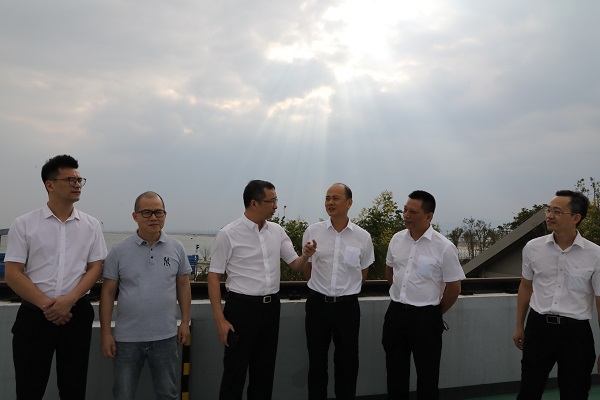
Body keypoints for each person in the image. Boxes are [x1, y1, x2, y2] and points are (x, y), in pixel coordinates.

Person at [4, 154, 107, 400]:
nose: (77, 184)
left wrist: (69, 301)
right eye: (70, 180)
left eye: (80, 180)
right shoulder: (24, 224)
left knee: (74, 388)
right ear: (49, 184)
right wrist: (48, 305)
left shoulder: (91, 225)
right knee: (29, 388)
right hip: (34, 316)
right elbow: (13, 273)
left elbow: (95, 267)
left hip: (76, 314)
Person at [208, 179, 317, 400]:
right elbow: (213, 276)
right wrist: (220, 320)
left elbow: (295, 265)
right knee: (234, 373)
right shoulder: (228, 234)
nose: (276, 206)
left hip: (270, 308)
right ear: (254, 203)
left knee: (264, 373)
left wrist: (306, 255)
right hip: (241, 309)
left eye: (276, 200)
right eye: (271, 201)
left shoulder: (276, 231)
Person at [99, 191, 192, 400]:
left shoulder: (176, 248)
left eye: (158, 212)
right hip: (127, 339)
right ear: (135, 216)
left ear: (165, 215)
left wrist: (185, 322)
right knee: (123, 394)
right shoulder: (118, 251)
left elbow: (183, 285)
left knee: (168, 394)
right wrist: (106, 333)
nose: (153, 218)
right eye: (147, 212)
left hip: (166, 337)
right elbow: (108, 293)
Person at [513, 190, 600, 399]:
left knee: (575, 393)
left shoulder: (595, 254)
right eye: (549, 210)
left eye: (557, 212)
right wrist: (519, 325)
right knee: (529, 390)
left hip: (576, 333)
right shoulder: (533, 248)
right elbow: (526, 286)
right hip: (538, 328)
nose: (550, 216)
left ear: (576, 218)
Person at [382, 190, 465, 400]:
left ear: (429, 216)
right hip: (396, 314)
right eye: (405, 210)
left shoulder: (444, 247)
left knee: (428, 377)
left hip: (426, 318)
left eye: (413, 212)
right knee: (395, 373)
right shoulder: (397, 239)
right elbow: (391, 272)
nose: (406, 215)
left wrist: (434, 312)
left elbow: (454, 287)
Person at [302, 183, 375, 400]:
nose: (330, 203)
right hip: (317, 305)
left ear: (349, 203)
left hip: (347, 308)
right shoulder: (313, 231)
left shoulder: (362, 237)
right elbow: (307, 269)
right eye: (327, 198)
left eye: (335, 198)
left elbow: (363, 273)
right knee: (316, 363)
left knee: (347, 363)